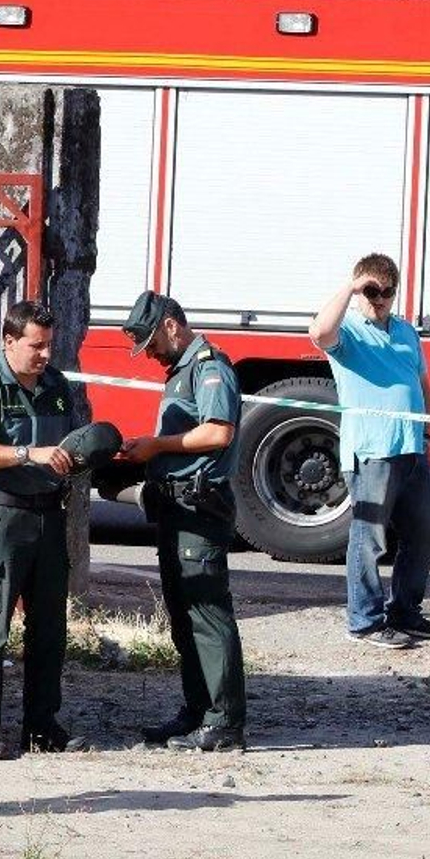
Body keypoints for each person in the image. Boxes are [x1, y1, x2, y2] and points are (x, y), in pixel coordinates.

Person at [0, 301, 86, 761]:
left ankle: (42, 725)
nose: (46, 354)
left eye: (50, 345)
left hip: (49, 517)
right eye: (36, 345)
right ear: (9, 342)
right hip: (2, 521)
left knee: (50, 629)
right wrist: (29, 454)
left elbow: (73, 442)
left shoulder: (59, 388)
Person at [119, 291, 247, 752]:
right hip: (177, 507)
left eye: (151, 342)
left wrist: (157, 446)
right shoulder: (183, 371)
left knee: (206, 615)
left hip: (200, 508)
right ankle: (198, 712)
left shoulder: (209, 367)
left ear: (172, 326)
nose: (149, 353)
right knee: (184, 615)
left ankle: (224, 722)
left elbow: (218, 432)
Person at [309, 254, 430, 650]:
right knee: (369, 540)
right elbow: (318, 332)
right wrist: (351, 287)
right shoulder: (348, 332)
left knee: (424, 534)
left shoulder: (405, 332)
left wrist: (429, 424)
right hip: (373, 452)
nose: (378, 299)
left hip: (412, 447)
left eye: (386, 292)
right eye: (372, 291)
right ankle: (364, 621)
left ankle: (405, 612)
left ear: (396, 293)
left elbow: (420, 379)